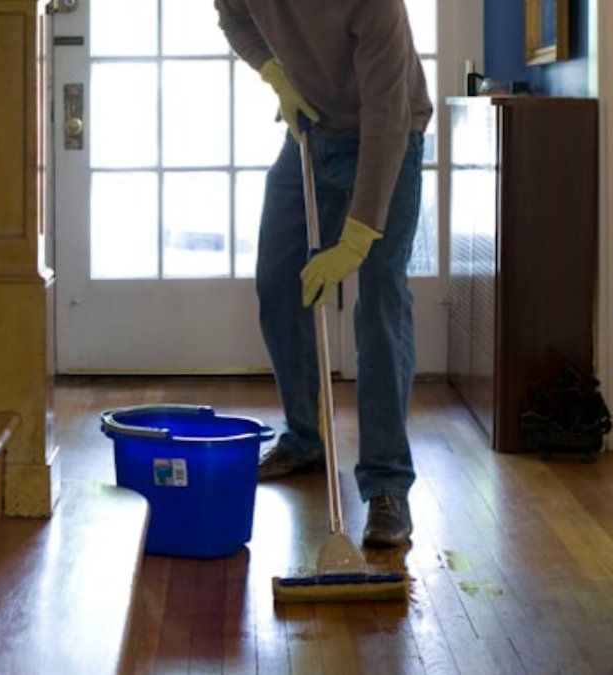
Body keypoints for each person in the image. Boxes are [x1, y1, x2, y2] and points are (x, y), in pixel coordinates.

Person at [215, 0, 432, 548]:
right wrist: (276, 75)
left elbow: (387, 113)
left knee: (380, 297)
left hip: (389, 137)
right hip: (311, 133)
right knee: (277, 282)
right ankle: (307, 438)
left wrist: (358, 237)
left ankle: (387, 484)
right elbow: (233, 16)